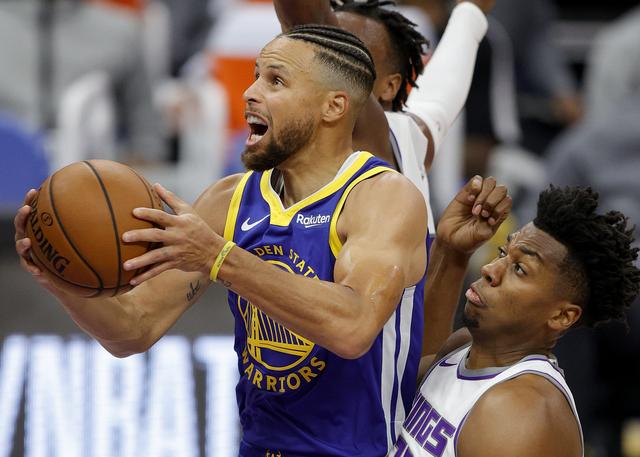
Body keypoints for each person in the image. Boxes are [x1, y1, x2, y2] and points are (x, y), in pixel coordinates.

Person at [17, 25, 437, 457]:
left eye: (275, 81)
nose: (249, 92)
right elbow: (133, 329)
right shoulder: (228, 200)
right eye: (255, 75)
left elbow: (352, 328)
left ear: (333, 106)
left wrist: (218, 256)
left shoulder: (382, 196)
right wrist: (60, 278)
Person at [273, 0, 494, 363]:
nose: (329, 67)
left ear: (389, 87)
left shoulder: (378, 131)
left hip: (358, 394)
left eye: (355, 57)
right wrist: (470, 12)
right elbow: (444, 89)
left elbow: (312, 25)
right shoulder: (414, 135)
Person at [388, 185, 640, 456]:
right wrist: (452, 252)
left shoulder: (522, 413)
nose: (489, 270)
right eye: (502, 253)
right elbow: (409, 378)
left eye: (519, 269)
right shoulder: (465, 347)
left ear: (561, 316)